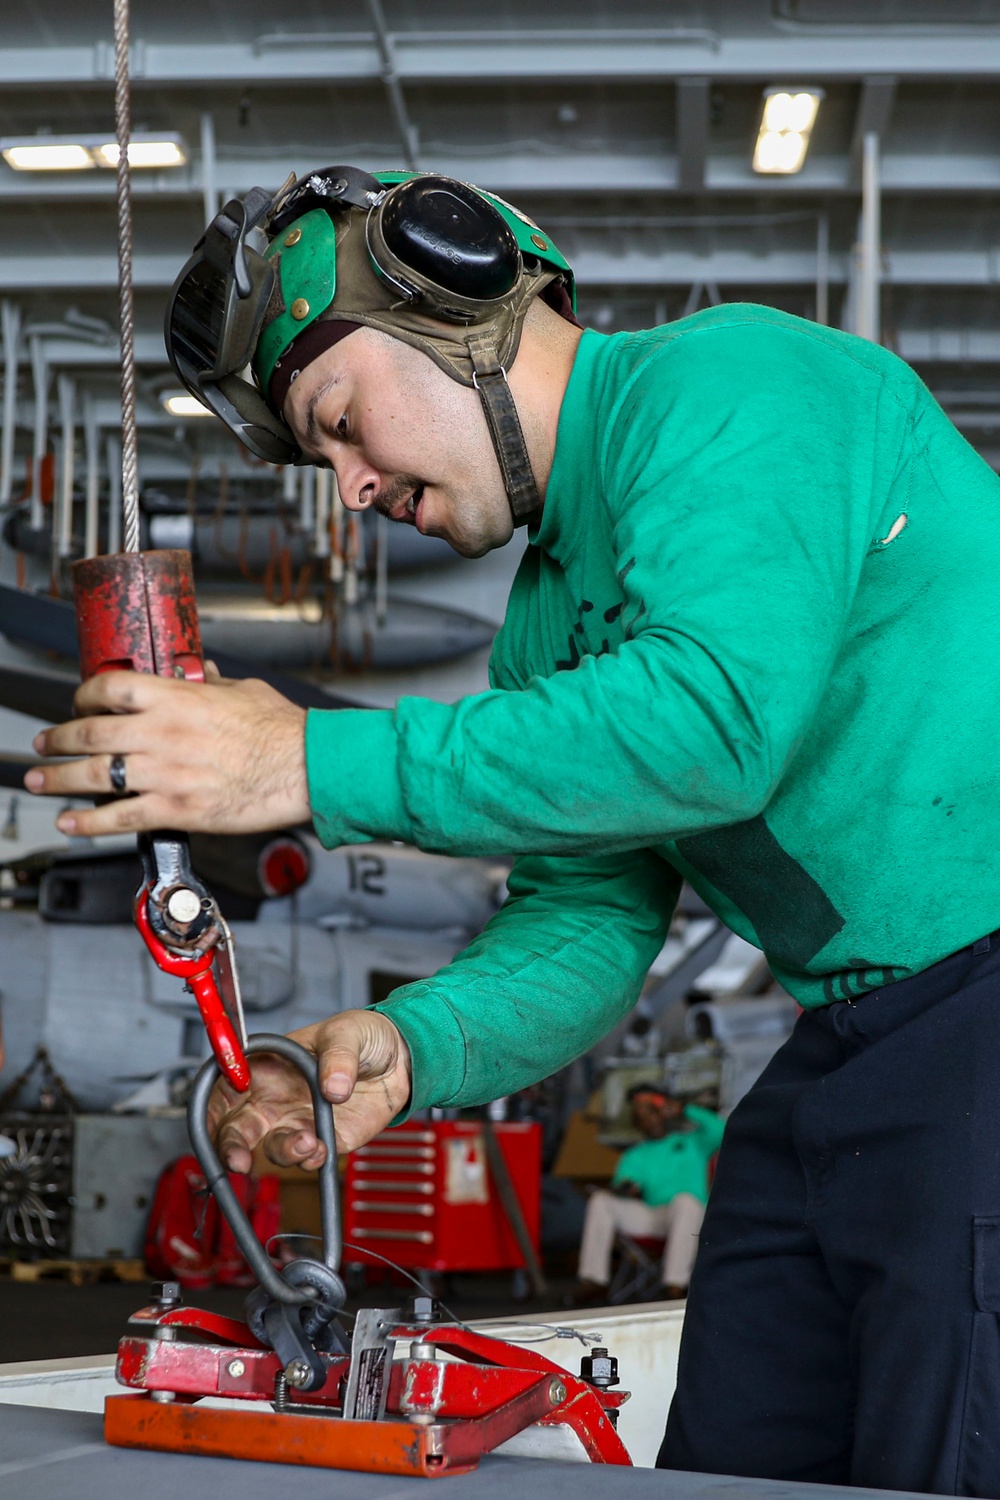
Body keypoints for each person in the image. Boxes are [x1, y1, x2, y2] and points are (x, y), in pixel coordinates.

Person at [24, 164, 1000, 1494]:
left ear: (461, 299)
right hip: (858, 1043)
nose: (353, 489)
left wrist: (303, 757)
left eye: (341, 420)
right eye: (325, 460)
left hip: (979, 1018)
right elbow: (590, 916)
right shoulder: (544, 621)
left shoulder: (731, 390)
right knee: (735, 1452)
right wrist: (408, 1048)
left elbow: (716, 724)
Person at [572, 1083, 723, 1303]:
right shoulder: (635, 1155)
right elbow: (626, 1183)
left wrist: (683, 1108)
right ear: (636, 1123)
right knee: (601, 1200)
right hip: (655, 1217)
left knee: (685, 1201)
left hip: (693, 1219)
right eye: (639, 1115)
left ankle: (675, 1284)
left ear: (663, 1113)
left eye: (649, 1112)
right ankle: (593, 1281)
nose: (646, 1118)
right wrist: (624, 1188)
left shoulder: (693, 1142)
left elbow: (722, 1129)